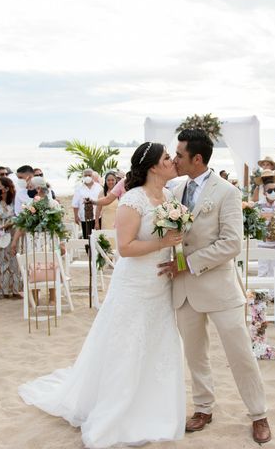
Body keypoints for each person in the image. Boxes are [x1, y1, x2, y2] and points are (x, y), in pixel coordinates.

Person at [19, 142, 185, 447]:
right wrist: (163, 245)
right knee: (127, 344)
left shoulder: (171, 196)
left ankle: (154, 407)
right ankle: (118, 410)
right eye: (166, 158)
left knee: (158, 343)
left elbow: (176, 239)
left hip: (162, 283)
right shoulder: (132, 200)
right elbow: (126, 247)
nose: (172, 161)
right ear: (152, 167)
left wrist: (177, 258)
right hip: (135, 284)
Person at [159, 129, 272, 444]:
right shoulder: (175, 189)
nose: (175, 160)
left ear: (197, 158)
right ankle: (203, 408)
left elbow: (232, 243)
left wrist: (189, 263)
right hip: (183, 291)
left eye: (179, 155)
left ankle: (259, 414)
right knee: (195, 355)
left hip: (219, 289)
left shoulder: (227, 192)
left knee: (240, 354)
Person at [72, 168, 103, 240]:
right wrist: (76, 216)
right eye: (85, 175)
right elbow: (75, 204)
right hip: (84, 217)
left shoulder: (99, 187)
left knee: (98, 239)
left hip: (97, 217)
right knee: (87, 238)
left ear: (93, 176)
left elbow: (102, 201)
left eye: (89, 175)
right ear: (83, 176)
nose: (87, 177)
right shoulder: (79, 188)